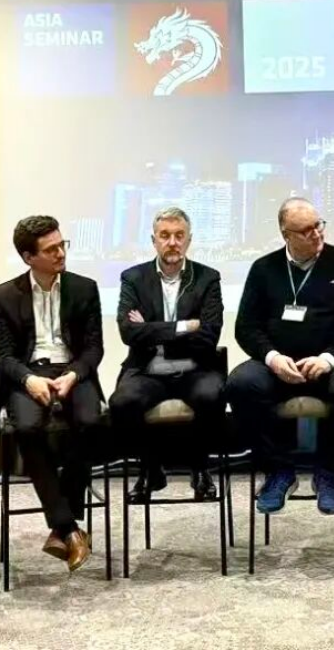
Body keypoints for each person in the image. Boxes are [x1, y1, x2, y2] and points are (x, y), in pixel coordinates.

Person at [228, 198, 334, 514]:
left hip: (331, 362)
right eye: (306, 230)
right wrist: (272, 357)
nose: (316, 234)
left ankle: (328, 472)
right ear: (286, 235)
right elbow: (246, 326)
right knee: (241, 383)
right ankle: (278, 470)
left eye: (318, 225)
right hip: (278, 364)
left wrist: (328, 358)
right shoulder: (264, 268)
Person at [0, 215, 104, 570]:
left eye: (62, 245)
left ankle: (61, 527)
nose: (60, 253)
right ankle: (69, 528)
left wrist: (74, 375)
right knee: (26, 427)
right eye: (51, 249)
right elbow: (3, 356)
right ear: (28, 257)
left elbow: (94, 348)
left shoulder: (84, 288)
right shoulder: (5, 295)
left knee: (90, 421)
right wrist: (28, 380)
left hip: (73, 370)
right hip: (29, 373)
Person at [109, 208, 227, 503]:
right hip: (148, 369)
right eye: (165, 236)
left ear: (189, 240)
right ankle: (150, 469)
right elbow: (129, 333)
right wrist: (185, 327)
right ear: (154, 240)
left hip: (195, 368)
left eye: (179, 236)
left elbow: (209, 335)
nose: (172, 242)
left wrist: (150, 329)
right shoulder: (133, 278)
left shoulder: (208, 278)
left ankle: (200, 468)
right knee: (122, 402)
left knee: (212, 396)